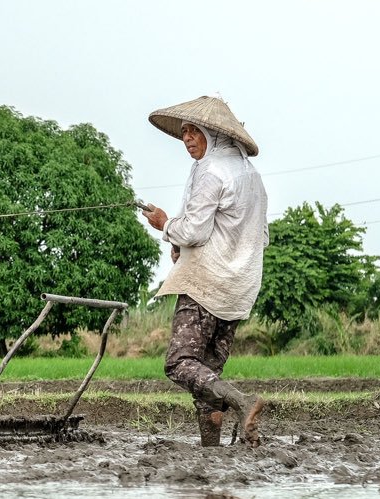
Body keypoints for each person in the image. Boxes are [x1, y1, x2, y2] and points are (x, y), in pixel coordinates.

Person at [141, 96, 269, 448]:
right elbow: (262, 236)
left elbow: (195, 231)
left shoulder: (212, 171)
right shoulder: (252, 177)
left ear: (213, 134)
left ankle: (243, 402)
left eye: (194, 131)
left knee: (180, 363)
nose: (187, 138)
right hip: (239, 289)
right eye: (184, 132)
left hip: (206, 285)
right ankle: (212, 453)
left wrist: (166, 225)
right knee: (206, 380)